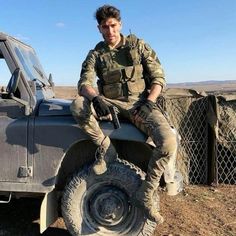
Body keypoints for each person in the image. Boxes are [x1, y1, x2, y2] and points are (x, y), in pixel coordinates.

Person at [70, 5, 178, 224]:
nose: (109, 31)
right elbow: (84, 83)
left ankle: (146, 193)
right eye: (104, 27)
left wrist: (149, 101)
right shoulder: (96, 54)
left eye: (113, 25)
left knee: (168, 143)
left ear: (119, 24)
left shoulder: (138, 46)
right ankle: (106, 148)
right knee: (78, 105)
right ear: (99, 28)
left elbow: (159, 78)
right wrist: (96, 99)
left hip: (141, 104)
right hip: (111, 105)